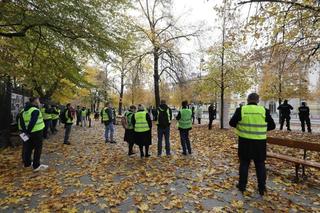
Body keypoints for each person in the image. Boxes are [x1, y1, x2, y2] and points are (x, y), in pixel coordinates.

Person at [229, 93, 275, 196]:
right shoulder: (264, 110)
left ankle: (242, 186)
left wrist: (241, 127)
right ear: (258, 101)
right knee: (260, 164)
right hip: (259, 143)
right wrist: (261, 129)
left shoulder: (241, 109)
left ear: (248, 100)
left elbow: (232, 123)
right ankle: (262, 188)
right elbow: (272, 125)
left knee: (244, 164)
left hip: (244, 141)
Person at [19, 97, 48, 171]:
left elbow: (21, 122)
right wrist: (28, 131)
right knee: (38, 149)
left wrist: (26, 132)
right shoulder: (35, 110)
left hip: (27, 133)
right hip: (37, 132)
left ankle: (27, 164)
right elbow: (33, 122)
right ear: (35, 101)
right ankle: (36, 165)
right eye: (38, 100)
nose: (39, 102)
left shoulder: (23, 110)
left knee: (28, 148)